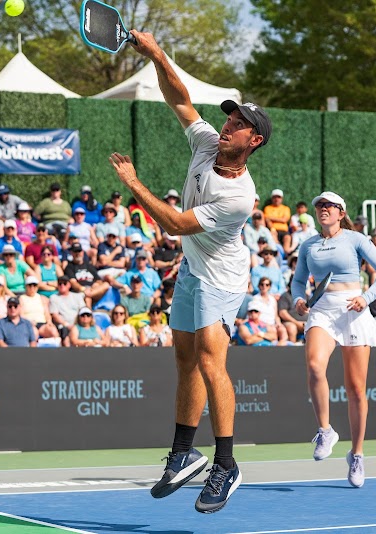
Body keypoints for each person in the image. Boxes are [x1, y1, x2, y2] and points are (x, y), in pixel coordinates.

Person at [107, 31, 273, 513]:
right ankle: (183, 452)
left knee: (209, 361)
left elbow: (177, 224)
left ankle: (226, 464)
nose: (228, 126)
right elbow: (179, 99)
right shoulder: (206, 142)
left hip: (222, 277)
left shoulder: (240, 195)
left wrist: (134, 183)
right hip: (193, 268)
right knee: (183, 359)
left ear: (254, 140)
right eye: (230, 118)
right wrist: (157, 54)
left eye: (239, 124)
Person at [292, 191, 376, 489]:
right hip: (322, 309)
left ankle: (357, 454)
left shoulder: (356, 239)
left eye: (328, 206)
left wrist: (366, 297)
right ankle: (325, 430)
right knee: (314, 366)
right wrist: (298, 299)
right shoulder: (308, 245)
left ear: (340, 211)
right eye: (319, 206)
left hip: (353, 307)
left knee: (356, 389)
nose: (322, 209)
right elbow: (299, 281)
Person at [65, 242, 112, 307]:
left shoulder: (89, 265)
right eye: (75, 252)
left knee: (106, 284)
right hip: (80, 291)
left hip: (93, 290)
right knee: (88, 298)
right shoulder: (69, 267)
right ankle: (88, 314)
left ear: (82, 252)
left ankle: (90, 294)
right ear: (72, 253)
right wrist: (83, 289)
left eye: (79, 251)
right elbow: (73, 283)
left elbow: (98, 280)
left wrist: (96, 284)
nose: (78, 254)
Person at [249, 276, 289, 345]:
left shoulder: (272, 299)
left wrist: (279, 324)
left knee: (283, 330)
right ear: (259, 286)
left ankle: (281, 347)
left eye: (267, 285)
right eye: (262, 284)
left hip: (272, 324)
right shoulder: (255, 299)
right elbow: (253, 315)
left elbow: (276, 316)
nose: (264, 286)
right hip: (261, 325)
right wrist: (266, 325)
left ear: (269, 287)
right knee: (272, 331)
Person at [49, 276, 86, 345]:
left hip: (78, 324)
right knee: (67, 340)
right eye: (60, 284)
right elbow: (55, 315)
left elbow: (83, 311)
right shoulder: (54, 298)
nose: (62, 285)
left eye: (64, 283)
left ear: (69, 285)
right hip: (64, 326)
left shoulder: (77, 296)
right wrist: (67, 325)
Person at [278, 279, 308, 343]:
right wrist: (297, 323)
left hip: (305, 322)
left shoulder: (306, 296)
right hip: (291, 322)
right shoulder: (285, 296)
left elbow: (311, 310)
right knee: (292, 328)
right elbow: (282, 313)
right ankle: (293, 350)